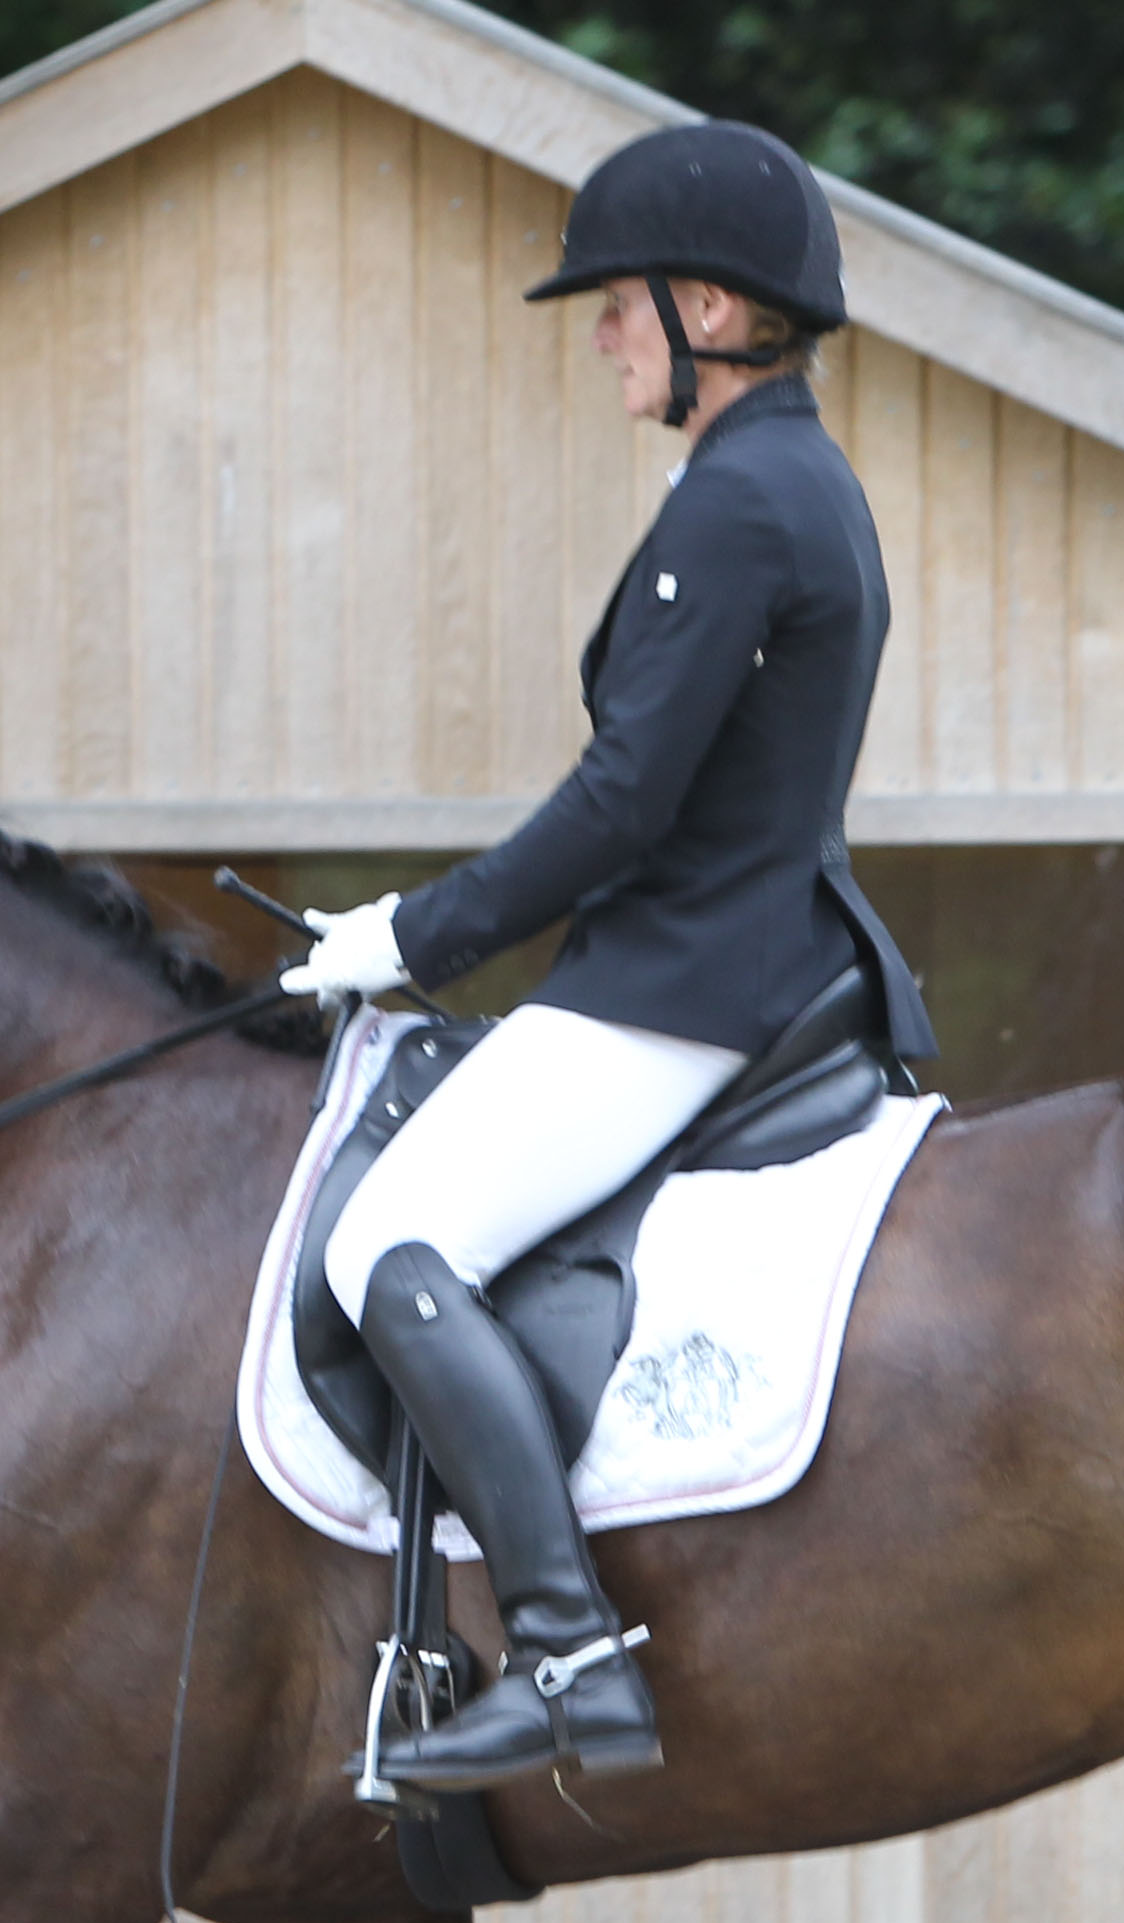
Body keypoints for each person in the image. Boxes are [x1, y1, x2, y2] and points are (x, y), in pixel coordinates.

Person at [284, 119, 931, 1795]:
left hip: (683, 983)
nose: (598, 337)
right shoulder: (799, 483)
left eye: (617, 306)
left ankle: (565, 1654)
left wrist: (408, 936)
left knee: (388, 1245)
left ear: (708, 304)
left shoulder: (737, 506)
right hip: (742, 956)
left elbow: (625, 800)